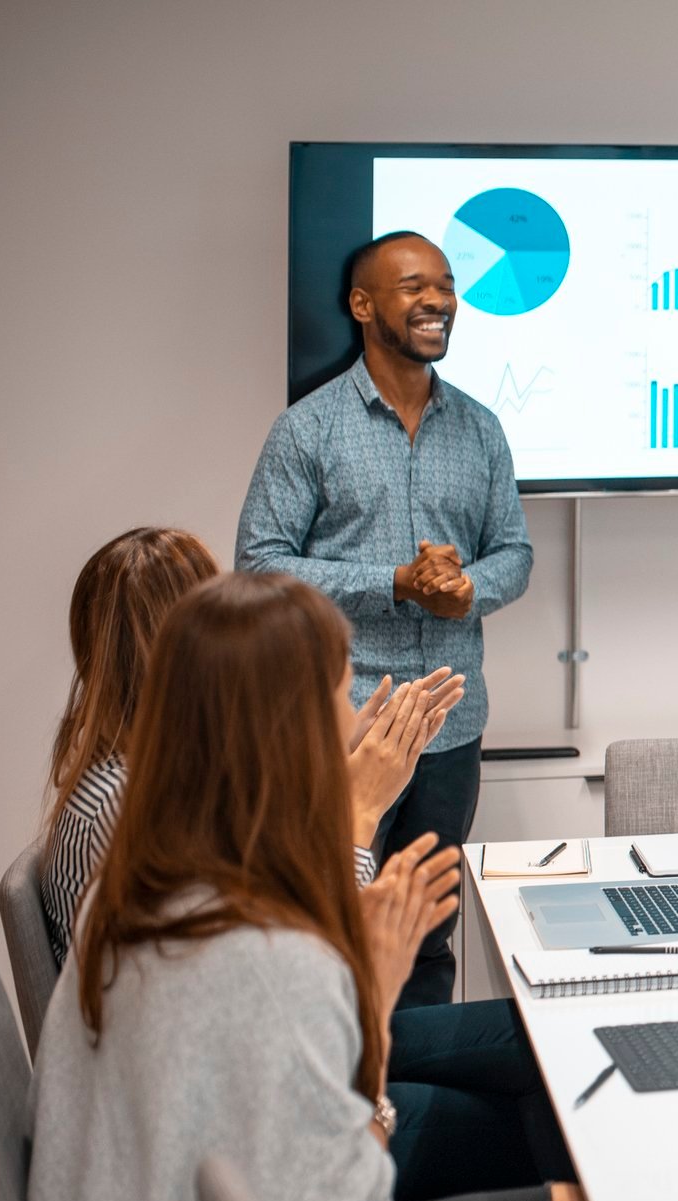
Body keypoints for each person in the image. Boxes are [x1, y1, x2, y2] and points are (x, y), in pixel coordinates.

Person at [28, 570, 607, 1201]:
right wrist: (373, 1000)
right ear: (287, 735)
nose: (351, 720)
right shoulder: (266, 956)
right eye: (338, 695)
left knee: (554, 1172)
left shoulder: (134, 885)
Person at [237, 230, 534, 1010]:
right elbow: (260, 564)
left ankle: (411, 1109)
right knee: (327, 926)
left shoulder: (481, 430)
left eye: (445, 284)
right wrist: (394, 585)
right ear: (363, 305)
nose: (438, 299)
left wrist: (467, 590)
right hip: (347, 728)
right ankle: (344, 1107)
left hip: (450, 731)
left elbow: (515, 553)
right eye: (413, 286)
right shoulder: (307, 430)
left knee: (425, 936)